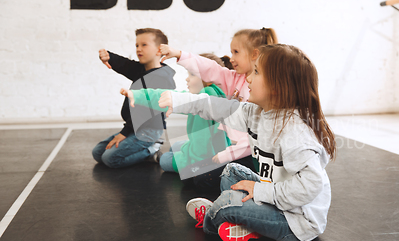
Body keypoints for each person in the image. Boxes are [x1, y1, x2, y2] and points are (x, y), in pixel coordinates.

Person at [123, 44, 336, 241]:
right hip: (274, 195)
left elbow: (310, 186)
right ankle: (246, 224)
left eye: (256, 73)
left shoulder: (295, 133)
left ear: (278, 88)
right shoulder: (256, 113)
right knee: (230, 172)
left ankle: (215, 216)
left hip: (295, 220)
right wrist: (175, 100)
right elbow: (214, 107)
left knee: (227, 205)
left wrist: (261, 192)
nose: (248, 78)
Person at [159, 27, 278, 167]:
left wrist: (227, 154)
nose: (232, 58)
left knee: (168, 160)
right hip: (230, 145)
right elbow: (210, 68)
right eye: (231, 52)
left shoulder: (262, 90)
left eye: (236, 52)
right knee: (176, 146)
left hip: (246, 154)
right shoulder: (236, 78)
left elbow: (253, 137)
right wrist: (179, 54)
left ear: (254, 54)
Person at [122, 54, 231, 181]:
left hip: (206, 159)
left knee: (164, 159)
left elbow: (202, 149)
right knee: (174, 147)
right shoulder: (215, 93)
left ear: (209, 78)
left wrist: (193, 168)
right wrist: (139, 94)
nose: (187, 79)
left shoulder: (203, 101)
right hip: (219, 150)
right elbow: (169, 96)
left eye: (192, 75)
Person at [92, 28, 176, 168]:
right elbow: (126, 65)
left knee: (109, 159)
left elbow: (144, 114)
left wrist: (124, 133)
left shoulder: (161, 79)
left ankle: (152, 150)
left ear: (159, 50)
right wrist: (109, 57)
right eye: (137, 45)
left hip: (148, 130)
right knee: (97, 153)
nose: (138, 49)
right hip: (135, 128)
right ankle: (142, 148)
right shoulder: (142, 71)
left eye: (144, 45)